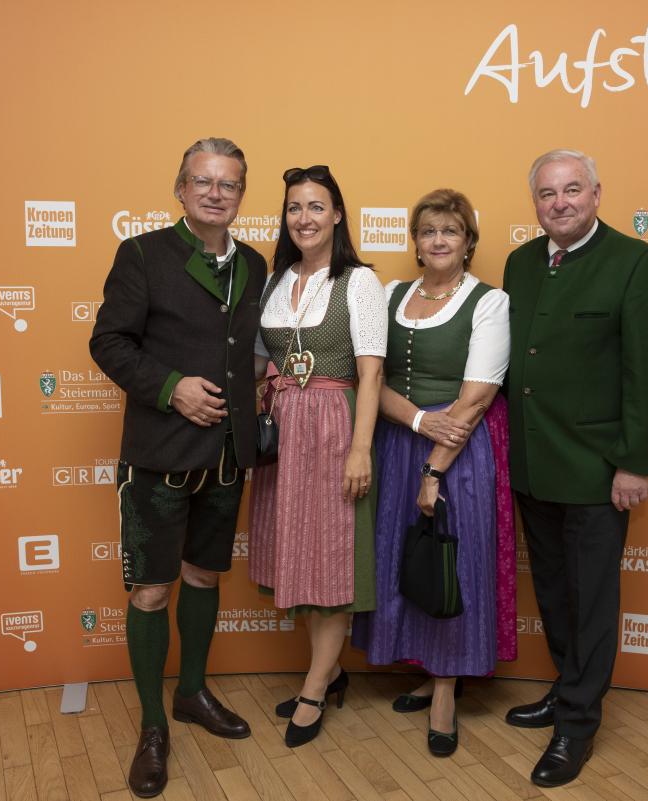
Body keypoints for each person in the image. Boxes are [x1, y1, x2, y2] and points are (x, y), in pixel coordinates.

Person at [89, 137, 267, 799]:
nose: (216, 193)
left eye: (229, 183)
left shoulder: (254, 263)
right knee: (151, 590)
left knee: (204, 574)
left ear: (240, 194)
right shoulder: (141, 254)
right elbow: (107, 341)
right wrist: (172, 388)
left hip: (226, 456)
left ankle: (192, 692)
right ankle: (153, 724)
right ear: (181, 188)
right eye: (203, 181)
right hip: (160, 454)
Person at [503, 150, 648, 787]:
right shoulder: (521, 263)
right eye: (548, 194)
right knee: (553, 591)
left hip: (598, 471)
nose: (560, 203)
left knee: (592, 599)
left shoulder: (636, 262)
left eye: (572, 189)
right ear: (536, 203)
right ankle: (565, 687)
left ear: (597, 194)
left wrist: (633, 464)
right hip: (532, 464)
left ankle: (577, 725)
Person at [351, 188, 516, 757]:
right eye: (428, 231)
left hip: (457, 455)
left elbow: (475, 400)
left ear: (469, 242)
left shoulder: (489, 302)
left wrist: (433, 471)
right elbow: (368, 379)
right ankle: (429, 671)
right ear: (416, 243)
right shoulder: (391, 294)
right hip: (397, 442)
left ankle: (446, 690)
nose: (439, 240)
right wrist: (418, 421)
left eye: (451, 230)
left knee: (451, 563)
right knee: (410, 560)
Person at [249, 165, 386, 747]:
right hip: (284, 431)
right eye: (294, 207)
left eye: (315, 206)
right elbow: (258, 363)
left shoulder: (359, 282)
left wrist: (360, 450)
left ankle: (313, 688)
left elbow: (371, 374)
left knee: (331, 560)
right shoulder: (274, 281)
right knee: (300, 558)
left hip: (335, 427)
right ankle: (329, 674)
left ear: (337, 215)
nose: (303, 218)